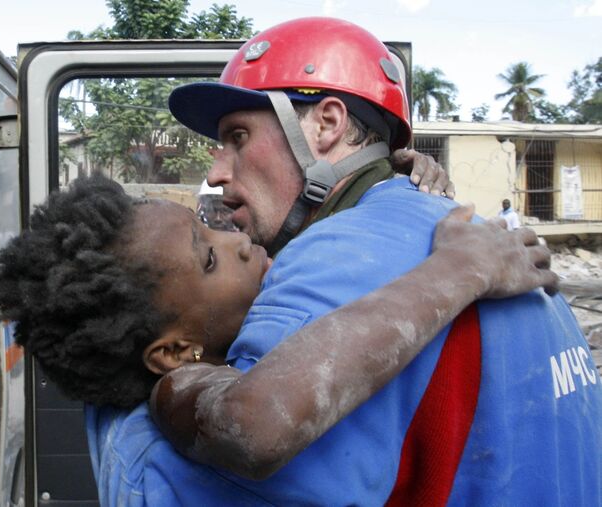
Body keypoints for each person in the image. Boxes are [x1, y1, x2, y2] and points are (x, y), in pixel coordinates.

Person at [151, 16, 602, 506]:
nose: (216, 173)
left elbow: (243, 442)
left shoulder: (335, 257)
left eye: (238, 137)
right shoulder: (475, 232)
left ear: (326, 125)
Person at [0, 174, 557, 506]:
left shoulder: (151, 360)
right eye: (208, 257)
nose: (235, 238)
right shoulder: (174, 395)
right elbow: (256, 424)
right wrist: (462, 269)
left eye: (209, 223)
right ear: (169, 353)